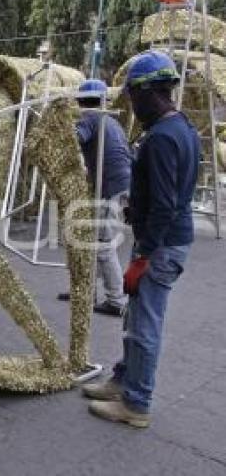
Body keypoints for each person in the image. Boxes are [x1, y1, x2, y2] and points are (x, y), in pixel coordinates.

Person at [82, 50, 200, 428]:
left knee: (145, 323)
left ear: (149, 92)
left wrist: (143, 255)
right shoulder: (180, 127)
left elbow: (166, 204)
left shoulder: (164, 138)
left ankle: (136, 403)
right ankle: (123, 380)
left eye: (133, 96)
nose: (131, 105)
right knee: (135, 317)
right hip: (161, 239)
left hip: (160, 247)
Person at [57, 79, 132, 317]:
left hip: (109, 186)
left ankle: (116, 299)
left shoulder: (90, 118)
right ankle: (86, 290)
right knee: (92, 239)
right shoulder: (111, 120)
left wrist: (57, 128)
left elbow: (73, 139)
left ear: (81, 101)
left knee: (101, 245)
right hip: (120, 183)